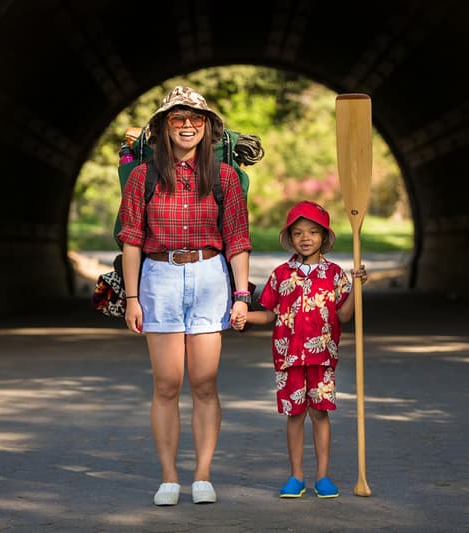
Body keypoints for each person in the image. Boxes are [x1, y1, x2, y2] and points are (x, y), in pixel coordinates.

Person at [117, 86, 252, 506]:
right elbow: (132, 240)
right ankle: (169, 478)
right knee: (167, 384)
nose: (187, 125)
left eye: (196, 118)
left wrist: (242, 295)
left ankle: (203, 476)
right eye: (178, 118)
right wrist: (133, 298)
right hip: (160, 278)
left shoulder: (224, 177)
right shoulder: (142, 177)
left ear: (207, 126)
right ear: (164, 126)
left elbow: (238, 240)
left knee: (205, 384)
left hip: (210, 277)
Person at [232, 200, 367, 499]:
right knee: (294, 416)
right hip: (288, 357)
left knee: (320, 413)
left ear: (324, 237)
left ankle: (323, 477)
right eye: (298, 232)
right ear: (290, 238)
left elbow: (344, 316)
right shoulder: (281, 274)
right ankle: (296, 476)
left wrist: (357, 288)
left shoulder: (335, 274)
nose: (306, 238)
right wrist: (245, 317)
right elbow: (269, 314)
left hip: (323, 357)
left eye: (313, 232)